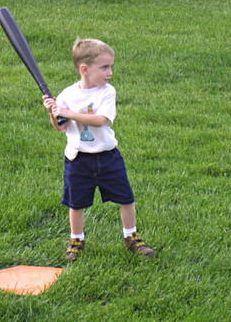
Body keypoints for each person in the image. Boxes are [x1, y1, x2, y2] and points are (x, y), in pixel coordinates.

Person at [42, 38, 153, 261]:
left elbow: (101, 120)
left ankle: (131, 236)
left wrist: (68, 112)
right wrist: (53, 112)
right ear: (84, 69)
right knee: (76, 203)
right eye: (104, 67)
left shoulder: (107, 92)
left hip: (108, 157)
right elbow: (61, 127)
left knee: (126, 198)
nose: (110, 72)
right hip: (78, 159)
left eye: (111, 66)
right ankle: (76, 240)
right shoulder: (67, 95)